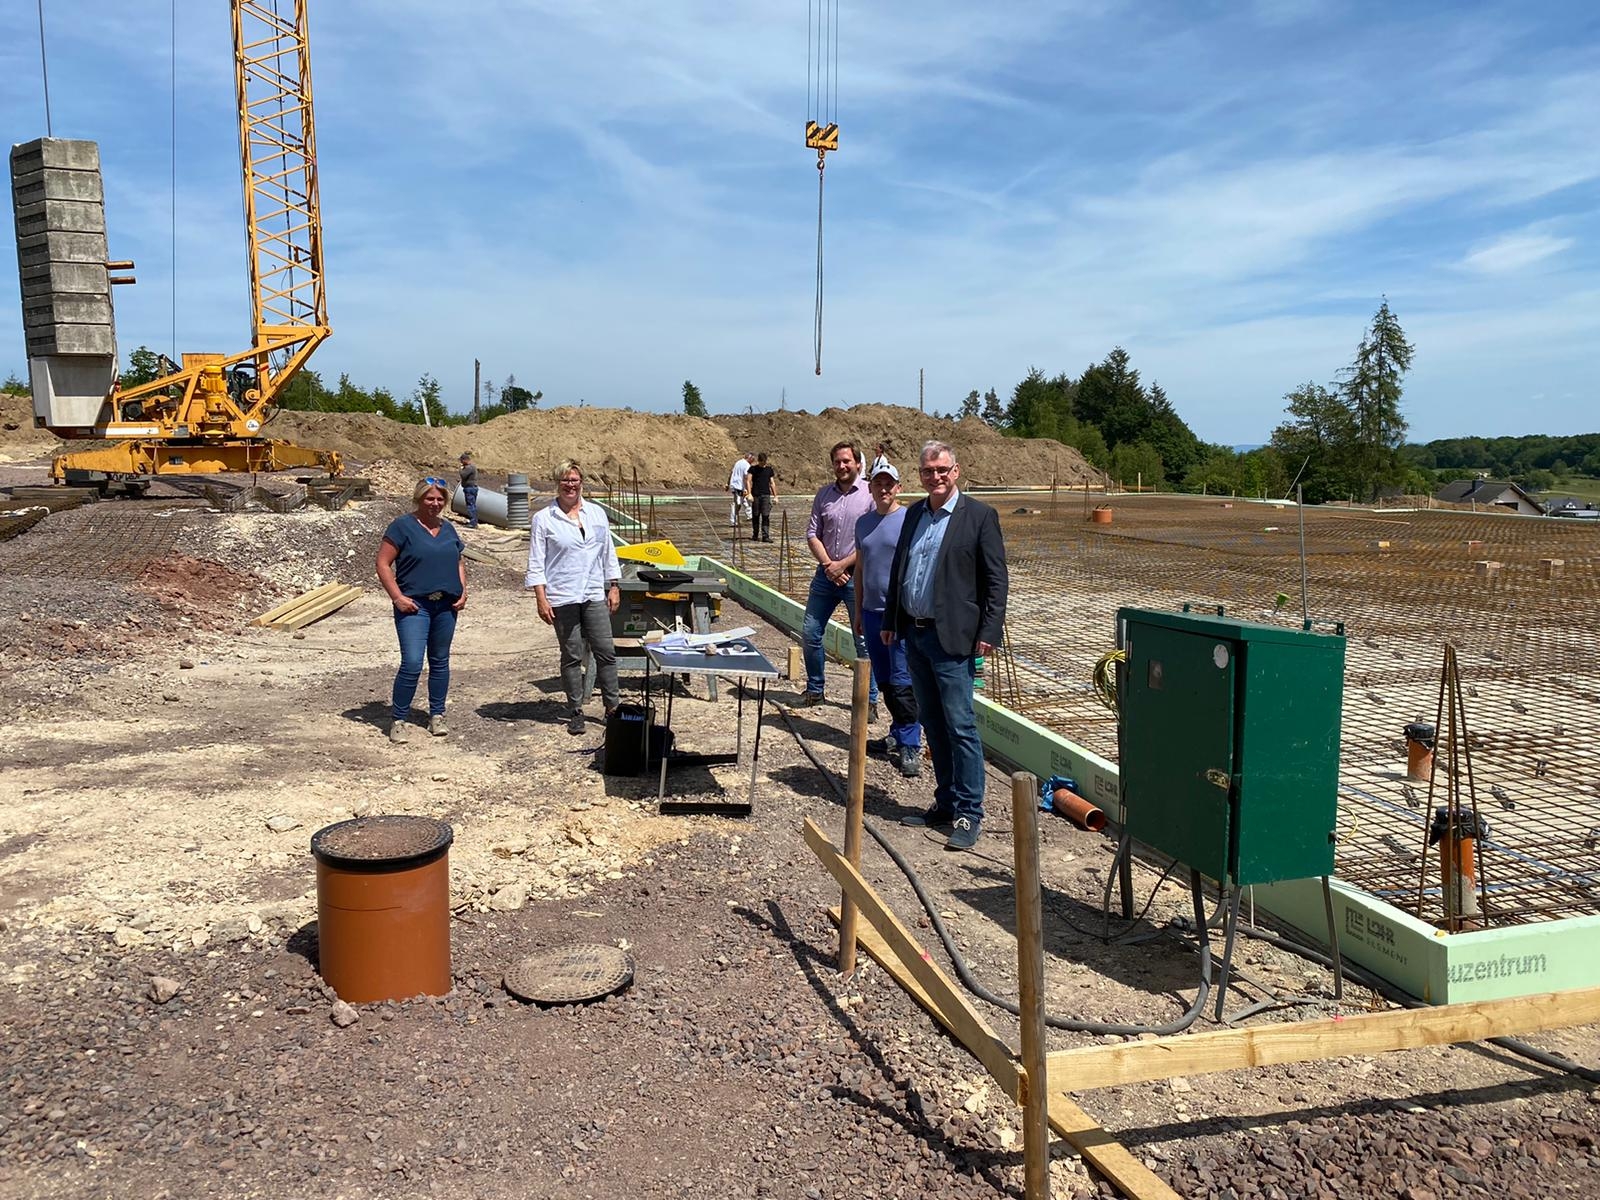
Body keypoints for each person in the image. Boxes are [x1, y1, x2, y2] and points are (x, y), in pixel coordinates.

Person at [882, 440, 1008, 850]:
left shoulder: (979, 517)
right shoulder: (915, 513)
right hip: (915, 635)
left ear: (956, 472)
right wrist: (891, 620)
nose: (935, 477)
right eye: (927, 471)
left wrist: (989, 632)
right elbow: (901, 567)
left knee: (961, 726)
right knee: (932, 724)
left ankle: (969, 812)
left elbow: (995, 581)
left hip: (953, 638)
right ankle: (945, 802)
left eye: (942, 470)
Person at [526, 460, 622, 736]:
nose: (570, 485)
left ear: (582, 483)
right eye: (565, 480)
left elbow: (607, 551)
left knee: (605, 651)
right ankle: (576, 710)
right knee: (571, 654)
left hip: (593, 591)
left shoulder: (596, 514)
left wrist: (613, 585)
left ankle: (612, 707)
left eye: (575, 480)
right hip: (563, 594)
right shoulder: (544, 518)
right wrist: (540, 598)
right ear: (557, 483)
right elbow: (536, 562)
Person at [376, 477, 468, 743]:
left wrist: (463, 591)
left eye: (440, 499)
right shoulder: (402, 527)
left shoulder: (448, 528)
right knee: (413, 662)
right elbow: (383, 564)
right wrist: (397, 597)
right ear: (419, 499)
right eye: (430, 498)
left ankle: (437, 715)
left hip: (446, 606)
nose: (435, 503)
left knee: (440, 662)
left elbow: (459, 561)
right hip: (415, 607)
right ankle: (399, 719)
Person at [799, 441, 877, 714]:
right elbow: (812, 534)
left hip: (858, 575)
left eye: (847, 461)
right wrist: (829, 565)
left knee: (864, 640)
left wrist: (842, 565)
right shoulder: (823, 495)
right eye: (837, 462)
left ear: (858, 463)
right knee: (810, 632)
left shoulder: (870, 494)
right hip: (826, 574)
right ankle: (815, 688)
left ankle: (869, 701)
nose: (842, 466)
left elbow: (871, 539)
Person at [853, 463, 921, 777]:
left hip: (899, 615)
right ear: (870, 488)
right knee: (884, 681)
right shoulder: (863, 523)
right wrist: (858, 610)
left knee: (903, 682)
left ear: (898, 488)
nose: (884, 489)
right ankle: (897, 733)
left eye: (889, 484)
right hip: (871, 612)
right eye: (878, 484)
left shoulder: (909, 519)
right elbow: (861, 569)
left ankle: (910, 745)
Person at [748, 451, 777, 542]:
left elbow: (772, 483)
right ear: (759, 461)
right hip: (756, 495)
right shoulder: (753, 469)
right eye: (761, 462)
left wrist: (775, 496)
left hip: (766, 495)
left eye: (764, 461)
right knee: (756, 515)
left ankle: (765, 535)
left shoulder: (769, 470)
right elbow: (748, 481)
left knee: (765, 515)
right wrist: (749, 493)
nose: (763, 463)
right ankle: (755, 534)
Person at [727, 452, 755, 528]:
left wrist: (728, 483)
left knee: (745, 501)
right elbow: (746, 478)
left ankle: (750, 515)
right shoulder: (747, 465)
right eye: (753, 459)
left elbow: (731, 473)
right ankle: (733, 520)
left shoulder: (738, 462)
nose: (753, 461)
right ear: (750, 458)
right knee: (737, 503)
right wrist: (749, 490)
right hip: (738, 486)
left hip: (735, 484)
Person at [458, 451, 479, 528]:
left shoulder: (469, 468)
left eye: (461, 460)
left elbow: (463, 475)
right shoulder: (472, 467)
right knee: (472, 505)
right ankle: (474, 521)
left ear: (465, 460)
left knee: (470, 505)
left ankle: (473, 523)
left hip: (470, 488)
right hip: (472, 488)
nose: (461, 462)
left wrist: (460, 469)